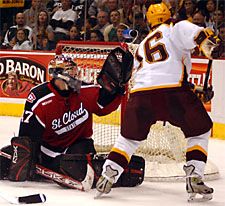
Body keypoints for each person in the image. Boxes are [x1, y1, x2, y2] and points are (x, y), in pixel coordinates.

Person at [95, 1, 219, 202]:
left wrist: (195, 90)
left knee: (129, 139)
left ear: (149, 21)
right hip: (173, 93)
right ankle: (194, 175)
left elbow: (154, 75)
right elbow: (201, 36)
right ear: (169, 15)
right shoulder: (176, 26)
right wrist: (211, 44)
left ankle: (109, 174)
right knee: (200, 130)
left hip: (141, 95)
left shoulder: (143, 44)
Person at [0, 48, 144, 190]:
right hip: (48, 152)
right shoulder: (39, 97)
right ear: (58, 75)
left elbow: (104, 107)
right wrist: (26, 160)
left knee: (79, 164)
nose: (76, 76)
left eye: (75, 72)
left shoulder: (83, 90)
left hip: (79, 147)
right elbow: (27, 136)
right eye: (71, 72)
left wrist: (116, 90)